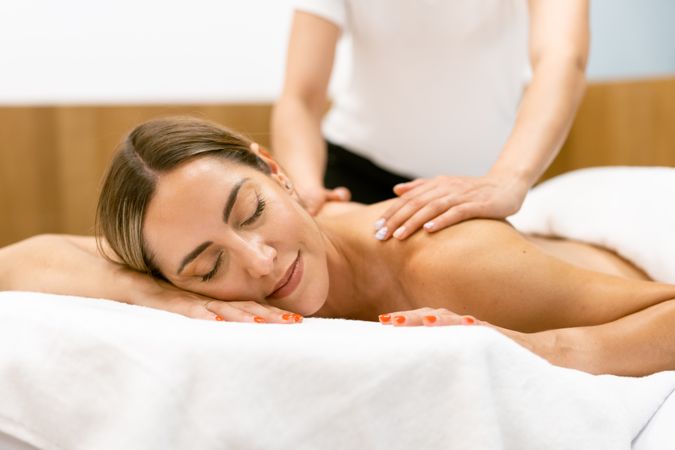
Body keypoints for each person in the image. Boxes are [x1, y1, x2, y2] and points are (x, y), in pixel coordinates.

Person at [2, 117, 675, 378]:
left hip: (620, 239)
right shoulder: (180, 268)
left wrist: (532, 347)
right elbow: (18, 263)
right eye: (207, 265)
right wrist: (156, 294)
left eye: (253, 213)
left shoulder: (447, 263)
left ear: (277, 172)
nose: (259, 262)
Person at [271, 0, 589, 242]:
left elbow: (562, 58)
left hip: (477, 190)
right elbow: (300, 98)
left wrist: (509, 179)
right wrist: (306, 189)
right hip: (352, 180)